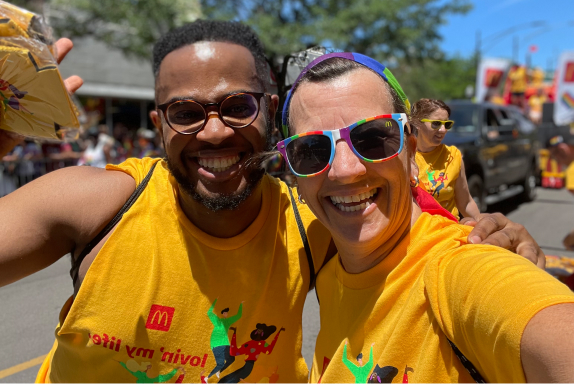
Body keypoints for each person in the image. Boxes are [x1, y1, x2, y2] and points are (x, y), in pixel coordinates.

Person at [0, 22, 545, 383]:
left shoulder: (316, 225)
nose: (213, 132)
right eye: (186, 113)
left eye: (237, 105)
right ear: (158, 125)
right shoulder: (98, 203)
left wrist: (496, 243)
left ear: (271, 111)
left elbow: (437, 252)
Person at [278, 52, 574, 382]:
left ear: (411, 156)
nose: (346, 170)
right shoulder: (330, 276)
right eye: (312, 151)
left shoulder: (456, 268)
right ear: (295, 179)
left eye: (373, 138)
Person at [411, 98, 480, 220]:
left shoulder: (453, 156)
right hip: (420, 233)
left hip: (450, 231)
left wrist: (482, 225)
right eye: (436, 123)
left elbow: (466, 202)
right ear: (417, 122)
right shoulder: (406, 157)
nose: (443, 130)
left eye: (447, 124)